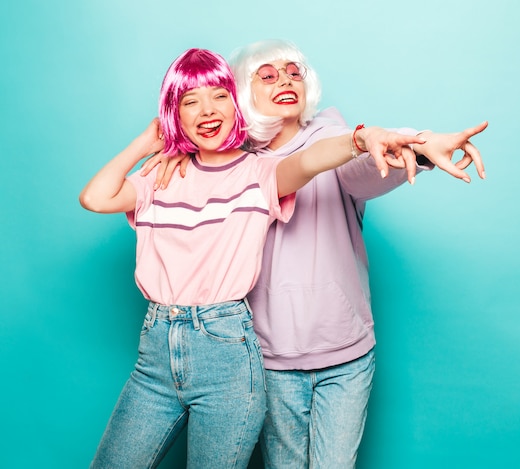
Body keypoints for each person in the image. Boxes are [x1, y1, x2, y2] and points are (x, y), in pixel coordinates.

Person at [142, 40, 488, 468]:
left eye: (294, 72)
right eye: (267, 75)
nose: (285, 80)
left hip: (346, 355)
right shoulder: (229, 163)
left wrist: (417, 147)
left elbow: (364, 167)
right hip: (269, 360)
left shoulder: (334, 141)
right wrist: (173, 155)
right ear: (242, 93)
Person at [79, 47, 425, 469]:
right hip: (159, 345)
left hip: (230, 343)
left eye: (218, 97)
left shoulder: (259, 172)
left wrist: (361, 138)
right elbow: (95, 198)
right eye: (190, 102)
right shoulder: (162, 174)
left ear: (235, 102)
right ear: (175, 113)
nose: (206, 110)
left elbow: (312, 159)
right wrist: (150, 143)